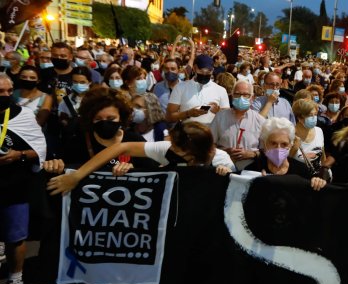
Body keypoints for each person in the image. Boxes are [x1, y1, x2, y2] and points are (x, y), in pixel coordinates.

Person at [47, 121, 235, 196]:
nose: (169, 144)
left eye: (175, 145)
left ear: (190, 152)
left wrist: (226, 175)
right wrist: (77, 176)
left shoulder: (221, 161)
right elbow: (121, 148)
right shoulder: (167, 150)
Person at [0, 73, 47, 284]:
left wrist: (18, 155)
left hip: (14, 185)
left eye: (10, 91)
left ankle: (15, 279)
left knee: (15, 236)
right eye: (1, 92)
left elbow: (40, 149)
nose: (6, 96)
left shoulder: (23, 116)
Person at [43, 87, 152, 176]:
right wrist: (55, 165)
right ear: (90, 119)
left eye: (111, 119)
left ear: (121, 118)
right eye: (98, 119)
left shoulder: (135, 141)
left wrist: (135, 170)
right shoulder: (77, 144)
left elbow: (155, 170)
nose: (105, 123)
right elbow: (61, 168)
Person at [243, 117, 326, 190]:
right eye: (273, 143)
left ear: (291, 144)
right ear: (264, 144)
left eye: (284, 144)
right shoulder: (252, 170)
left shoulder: (302, 171)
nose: (278, 148)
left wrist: (318, 183)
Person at [209, 80, 265, 170]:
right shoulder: (220, 116)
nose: (241, 98)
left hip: (250, 170)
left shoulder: (260, 121)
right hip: (222, 169)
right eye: (237, 94)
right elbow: (210, 144)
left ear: (252, 98)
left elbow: (266, 150)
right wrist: (224, 152)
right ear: (232, 96)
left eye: (245, 95)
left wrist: (252, 154)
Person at [166, 55, 230, 125]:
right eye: (201, 71)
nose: (205, 74)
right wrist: (188, 113)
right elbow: (169, 117)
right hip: (187, 133)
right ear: (194, 68)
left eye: (209, 71)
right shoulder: (180, 87)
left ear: (213, 70)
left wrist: (217, 111)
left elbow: (227, 119)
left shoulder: (221, 90)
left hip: (211, 135)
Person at [289, 99, 327, 177]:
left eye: (315, 114)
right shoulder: (290, 134)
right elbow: (285, 162)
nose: (314, 118)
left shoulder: (319, 131)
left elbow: (322, 155)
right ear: (299, 117)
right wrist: (294, 148)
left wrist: (325, 171)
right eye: (310, 115)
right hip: (298, 179)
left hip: (317, 180)